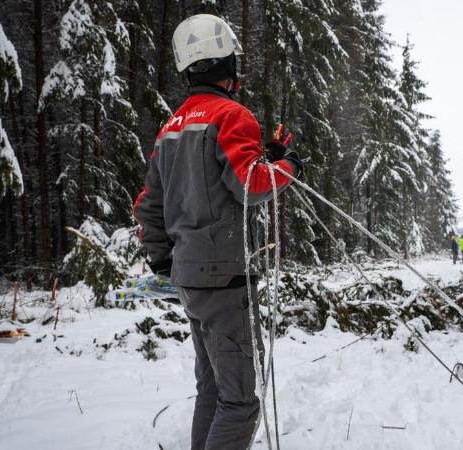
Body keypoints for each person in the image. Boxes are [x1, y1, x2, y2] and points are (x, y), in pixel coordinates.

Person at [133, 14, 304, 450]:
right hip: (225, 279)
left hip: (191, 278)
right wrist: (289, 166)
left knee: (213, 389)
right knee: (241, 402)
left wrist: (164, 259)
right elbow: (251, 185)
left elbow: (150, 204)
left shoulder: (171, 127)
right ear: (226, 65)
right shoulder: (233, 115)